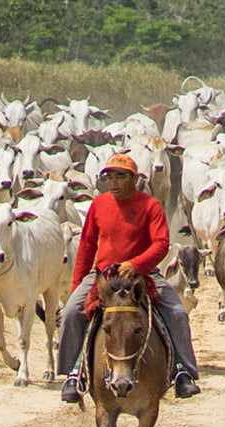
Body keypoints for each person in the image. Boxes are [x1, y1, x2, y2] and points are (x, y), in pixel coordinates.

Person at [58, 153, 201, 402]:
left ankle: (182, 372)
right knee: (71, 311)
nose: (113, 183)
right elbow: (87, 246)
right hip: (103, 273)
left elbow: (161, 244)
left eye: (120, 177)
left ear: (134, 179)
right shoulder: (99, 205)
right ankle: (72, 373)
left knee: (177, 313)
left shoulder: (150, 206)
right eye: (110, 177)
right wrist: (77, 285)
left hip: (143, 274)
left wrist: (136, 265)